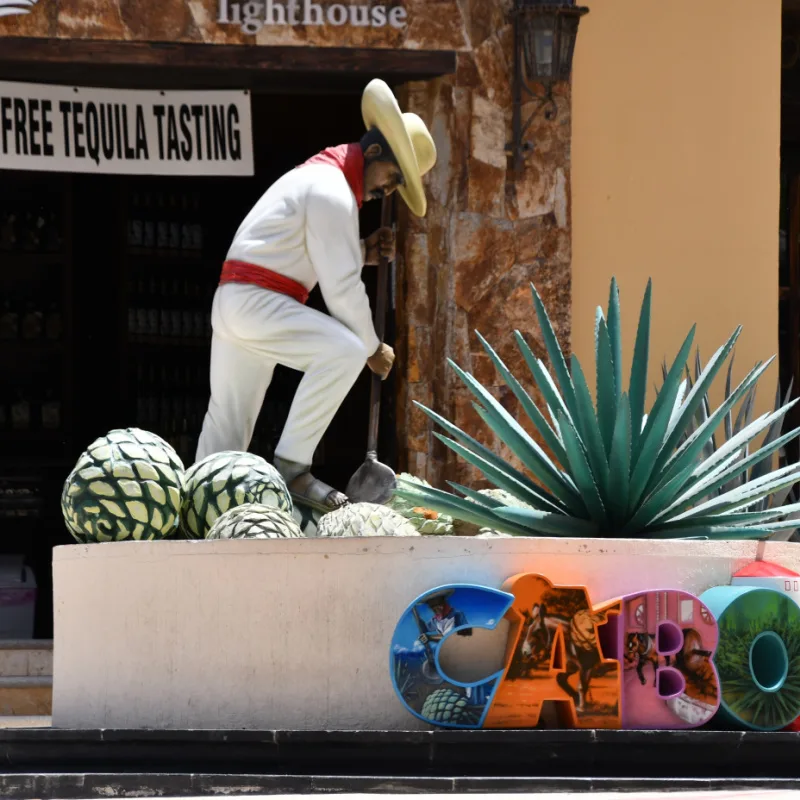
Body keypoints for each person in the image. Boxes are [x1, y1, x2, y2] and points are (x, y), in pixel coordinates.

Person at [195, 79, 436, 512]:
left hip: (239, 302)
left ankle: (197, 506)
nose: (388, 190)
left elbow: (309, 255)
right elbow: (340, 286)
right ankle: (291, 468)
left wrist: (362, 251)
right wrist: (371, 347)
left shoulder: (319, 178)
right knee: (343, 351)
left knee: (227, 424)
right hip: (258, 303)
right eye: (393, 178)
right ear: (376, 152)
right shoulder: (332, 190)